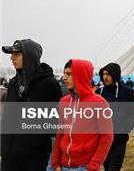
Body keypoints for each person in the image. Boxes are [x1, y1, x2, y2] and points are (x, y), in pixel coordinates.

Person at [1, 39, 62, 171]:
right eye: (12, 54)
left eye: (16, 54)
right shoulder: (13, 84)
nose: (12, 58)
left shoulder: (49, 85)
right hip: (8, 159)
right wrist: (4, 147)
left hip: (34, 160)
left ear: (29, 57)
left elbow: (55, 123)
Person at [52, 59, 114, 171]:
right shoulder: (63, 102)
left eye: (69, 74)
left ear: (81, 75)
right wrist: (55, 162)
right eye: (64, 73)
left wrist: (93, 166)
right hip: (63, 165)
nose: (64, 77)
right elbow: (60, 132)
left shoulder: (99, 103)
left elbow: (107, 136)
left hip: (85, 166)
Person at [96, 63, 134, 171]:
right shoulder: (98, 92)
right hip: (102, 140)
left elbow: (133, 113)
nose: (105, 77)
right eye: (104, 74)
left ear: (115, 74)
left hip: (119, 140)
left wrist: (125, 128)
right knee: (106, 167)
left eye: (108, 74)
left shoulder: (128, 92)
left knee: (114, 168)